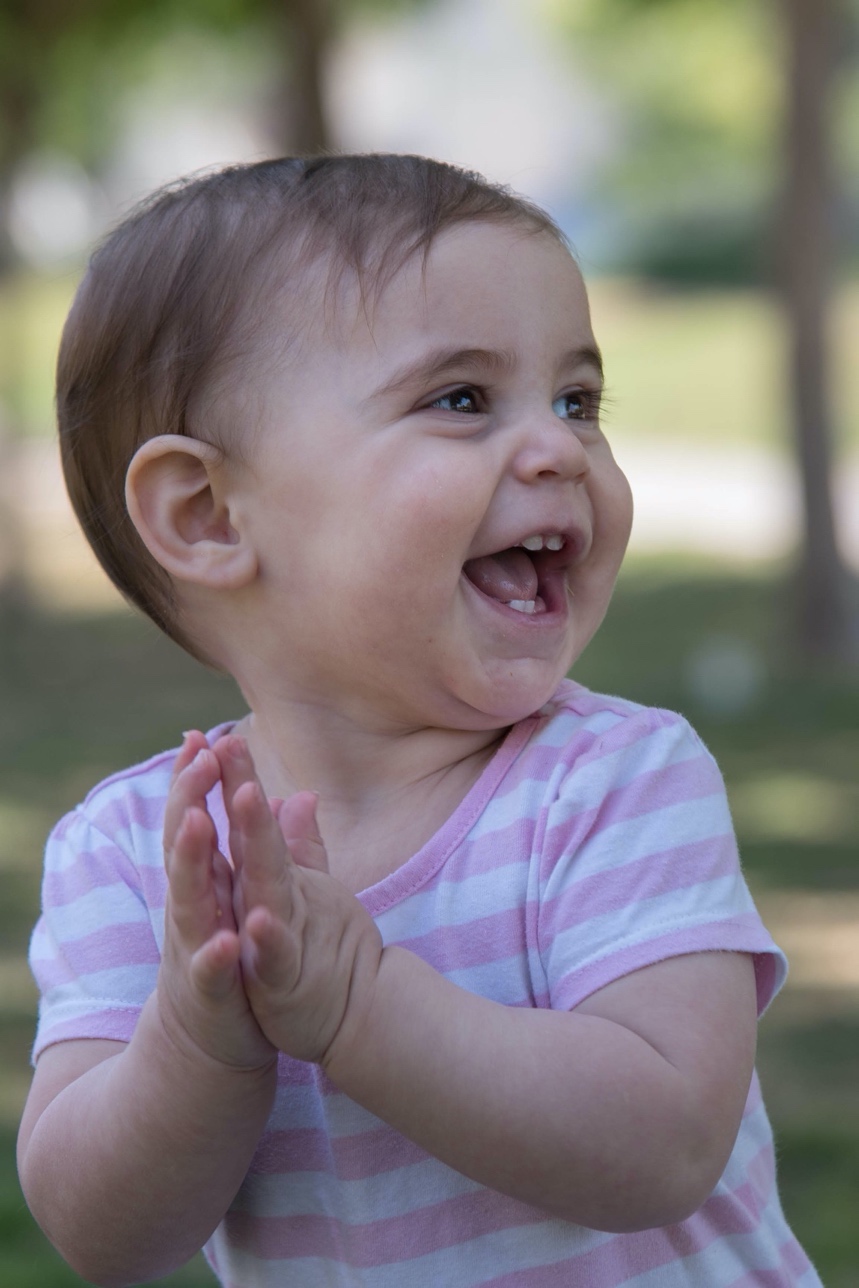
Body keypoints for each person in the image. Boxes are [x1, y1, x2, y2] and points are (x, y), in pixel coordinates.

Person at [17, 154, 819, 1287]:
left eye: (577, 400)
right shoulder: (138, 858)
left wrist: (361, 1005)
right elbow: (102, 1235)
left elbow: (667, 1140)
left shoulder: (614, 783)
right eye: (460, 400)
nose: (557, 448)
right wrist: (200, 1035)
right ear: (206, 514)